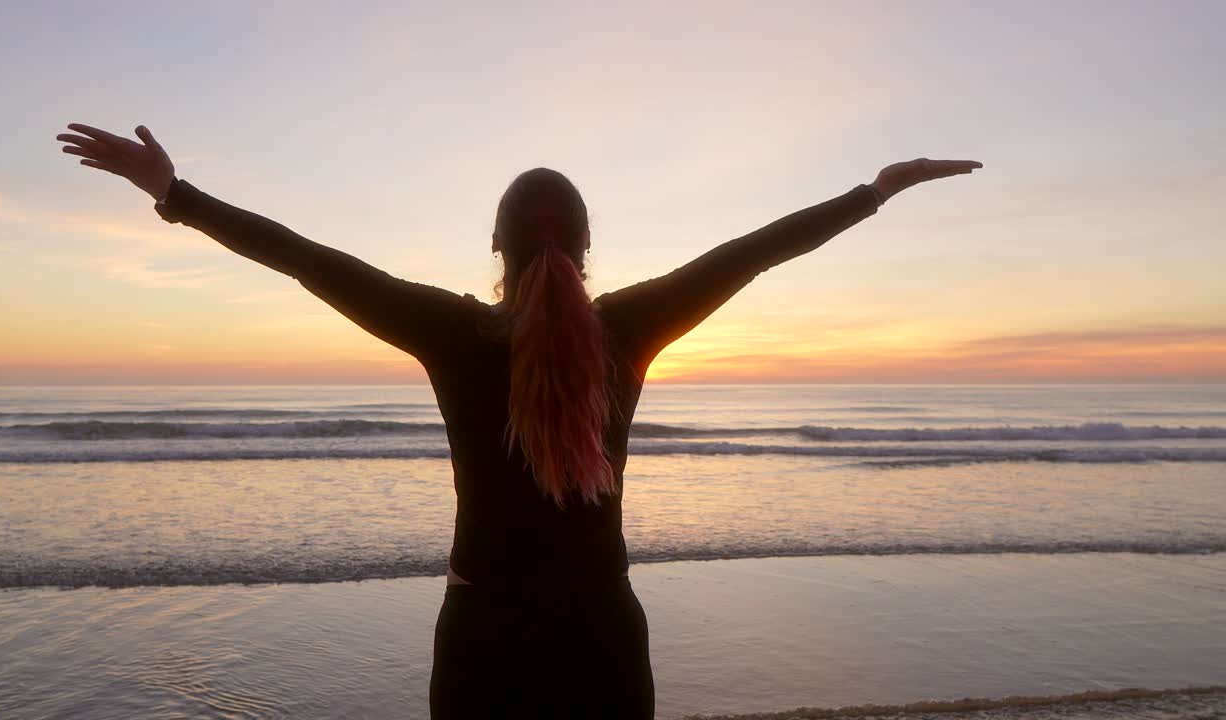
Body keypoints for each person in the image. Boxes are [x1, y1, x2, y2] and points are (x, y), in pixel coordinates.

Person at [56, 123, 981, 719]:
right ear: (587, 246)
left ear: (493, 244)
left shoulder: (450, 330)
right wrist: (875, 191)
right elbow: (750, 255)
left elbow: (308, 260)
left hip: (483, 634)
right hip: (601, 633)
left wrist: (175, 195)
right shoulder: (631, 328)